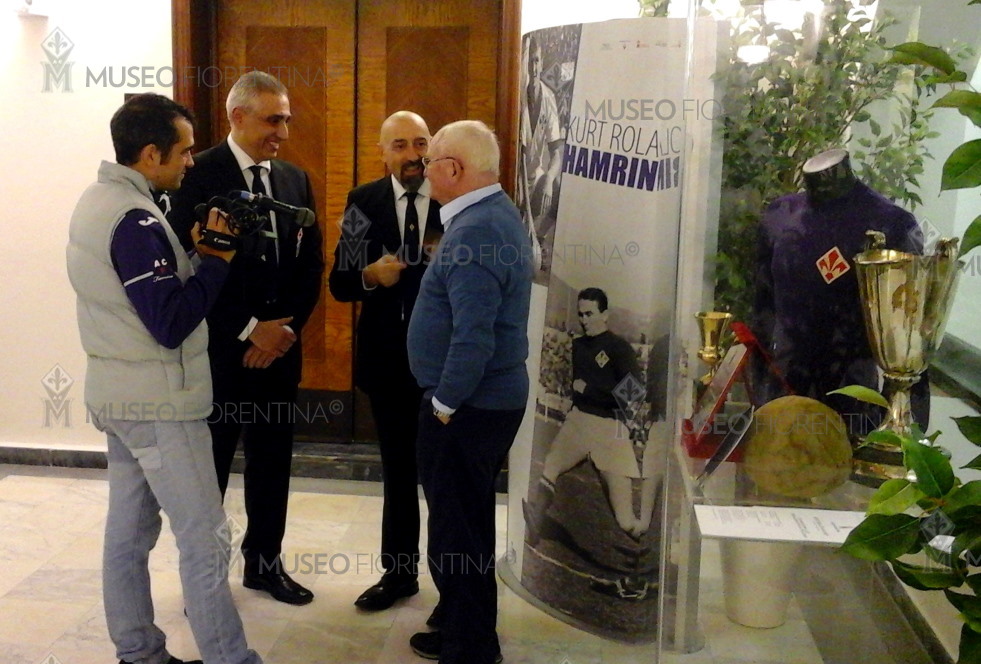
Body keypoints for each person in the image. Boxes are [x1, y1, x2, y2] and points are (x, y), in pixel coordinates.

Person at [66, 93, 261, 664]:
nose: (191, 162)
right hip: (161, 406)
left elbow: (138, 303)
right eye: (184, 151)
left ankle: (138, 652)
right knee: (205, 537)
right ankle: (230, 658)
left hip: (121, 398)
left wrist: (195, 257)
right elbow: (170, 322)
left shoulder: (96, 200)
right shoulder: (134, 219)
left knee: (128, 534)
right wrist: (216, 261)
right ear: (151, 154)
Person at [169, 71, 324, 606]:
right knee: (209, 469)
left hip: (278, 354)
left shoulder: (295, 180)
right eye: (273, 119)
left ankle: (264, 565)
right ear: (237, 116)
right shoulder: (198, 173)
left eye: (287, 119)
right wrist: (249, 329)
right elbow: (191, 268)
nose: (283, 131)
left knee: (272, 462)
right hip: (220, 355)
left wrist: (284, 331)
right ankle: (204, 579)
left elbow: (311, 265)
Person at [406, 120, 533, 664]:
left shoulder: (476, 231)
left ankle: (471, 648)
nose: (424, 171)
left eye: (429, 161)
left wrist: (443, 404)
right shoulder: (491, 215)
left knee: (456, 532)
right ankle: (464, 624)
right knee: (468, 523)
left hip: (468, 407)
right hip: (481, 404)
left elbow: (473, 338)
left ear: (453, 169)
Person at [328, 111, 442, 612]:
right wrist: (371, 276)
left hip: (444, 364)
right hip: (388, 363)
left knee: (444, 478)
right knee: (398, 473)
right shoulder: (364, 202)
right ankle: (399, 575)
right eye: (400, 145)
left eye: (420, 143)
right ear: (382, 153)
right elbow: (340, 282)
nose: (413, 155)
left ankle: (455, 590)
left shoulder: (451, 197)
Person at [753, 148, 927, 436]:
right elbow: (762, 312)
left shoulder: (892, 224)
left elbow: (911, 335)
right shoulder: (779, 216)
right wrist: (757, 392)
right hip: (781, 399)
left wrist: (911, 429)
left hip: (852, 405)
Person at [523, 288, 658, 551]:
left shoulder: (619, 348)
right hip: (579, 420)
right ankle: (536, 521)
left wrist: (592, 391)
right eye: (581, 314)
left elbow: (634, 392)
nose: (584, 319)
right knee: (551, 465)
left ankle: (648, 548)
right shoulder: (578, 346)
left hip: (609, 428)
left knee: (626, 521)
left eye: (590, 314)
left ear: (605, 314)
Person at [518, 34, 564, 271]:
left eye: (536, 61)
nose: (534, 68)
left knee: (556, 187)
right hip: (514, 176)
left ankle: (539, 236)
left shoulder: (548, 97)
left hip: (533, 175)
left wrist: (549, 179)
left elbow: (556, 151)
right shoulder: (515, 95)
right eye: (529, 62)